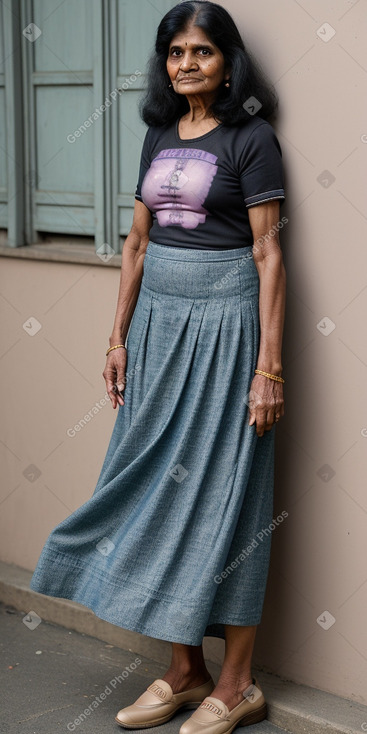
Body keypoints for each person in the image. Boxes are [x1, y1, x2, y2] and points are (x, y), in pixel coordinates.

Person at [29, 2, 287, 731]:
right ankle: (183, 668)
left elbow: (268, 255)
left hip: (228, 327)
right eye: (174, 52)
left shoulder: (253, 139)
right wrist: (117, 340)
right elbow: (136, 243)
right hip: (159, 331)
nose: (185, 64)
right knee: (151, 488)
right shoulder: (157, 135)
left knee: (227, 492)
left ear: (227, 63)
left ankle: (235, 683)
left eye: (200, 52)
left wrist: (268, 369)